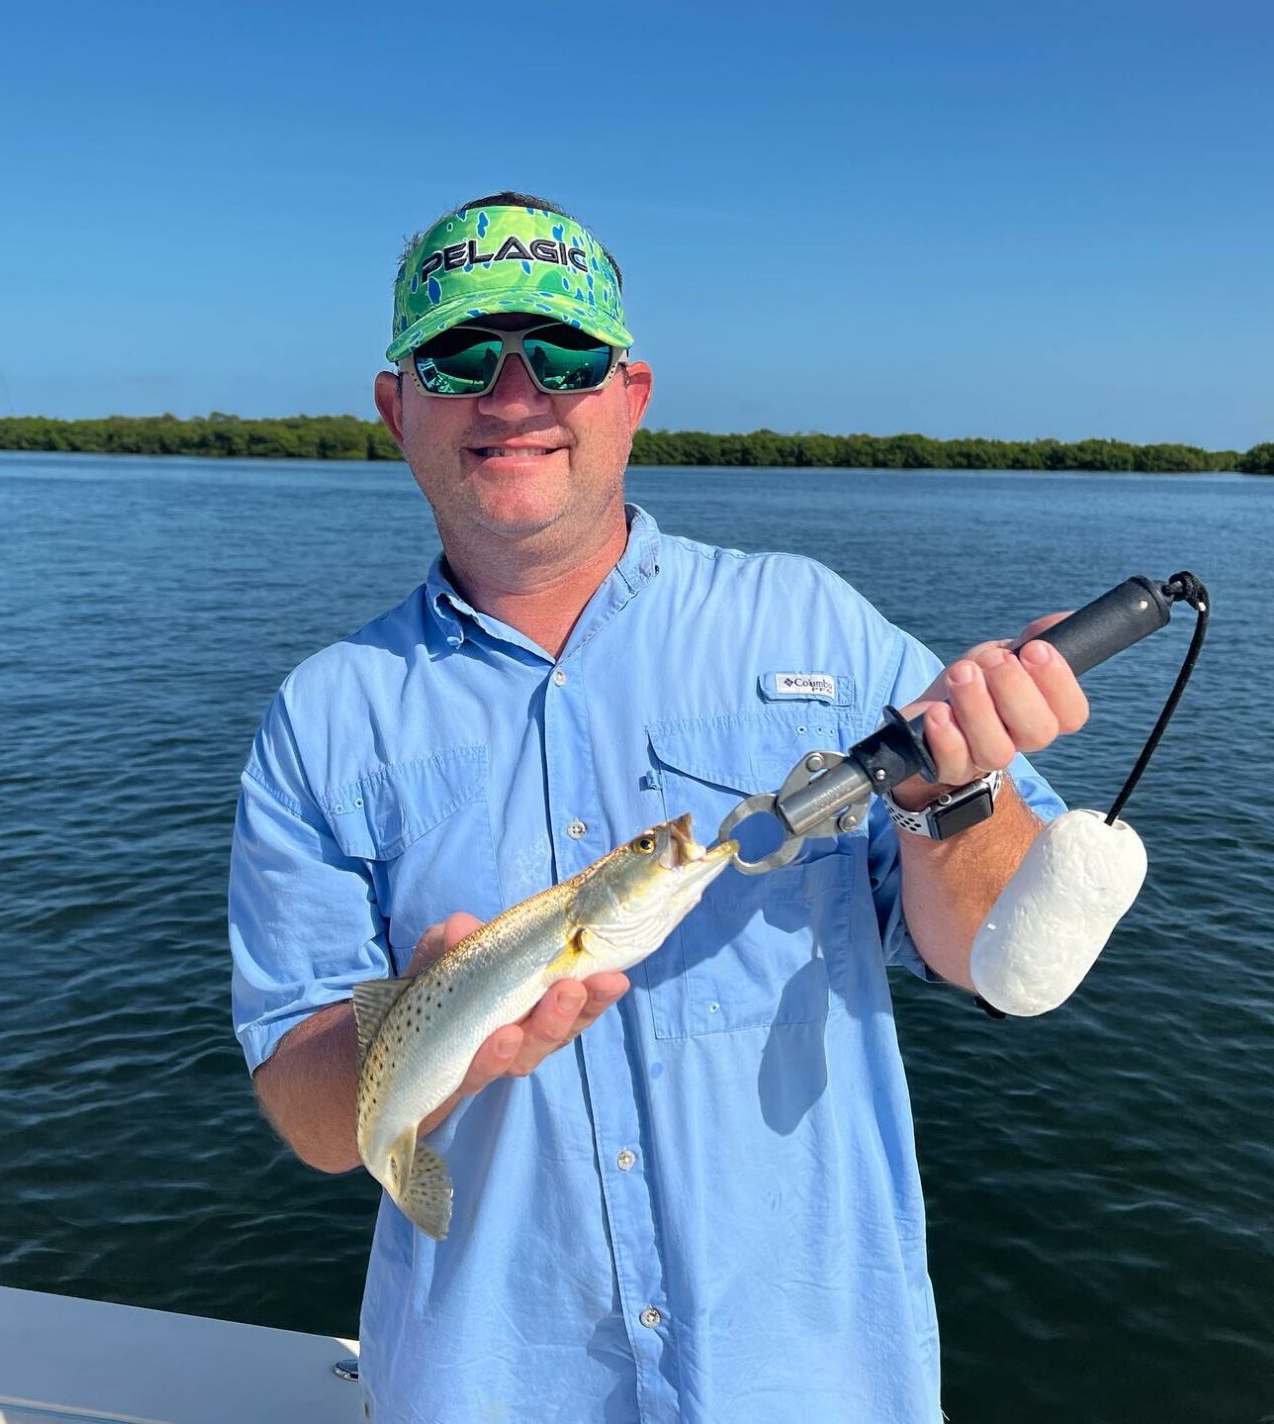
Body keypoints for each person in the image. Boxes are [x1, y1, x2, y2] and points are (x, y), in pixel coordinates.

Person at [228, 191, 1087, 1423]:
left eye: (563, 356)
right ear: (395, 405)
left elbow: (993, 954)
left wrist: (962, 785)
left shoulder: (814, 629)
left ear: (628, 394)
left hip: (813, 1383)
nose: (513, 394)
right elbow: (313, 1117)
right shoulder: (321, 720)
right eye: (460, 356)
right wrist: (425, 1031)